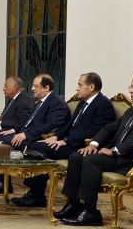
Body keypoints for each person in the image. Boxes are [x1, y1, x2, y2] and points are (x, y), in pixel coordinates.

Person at [57, 71, 133, 226]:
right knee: (77, 156)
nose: (131, 91)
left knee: (91, 160)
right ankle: (73, 204)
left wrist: (115, 150)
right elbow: (109, 128)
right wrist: (94, 144)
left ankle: (91, 212)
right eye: (131, 87)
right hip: (122, 156)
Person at [10, 72, 115, 207]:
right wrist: (56, 136)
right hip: (70, 142)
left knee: (39, 148)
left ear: (91, 87)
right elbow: (69, 125)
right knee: (36, 145)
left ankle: (37, 195)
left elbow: (94, 131)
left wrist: (65, 141)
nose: (77, 88)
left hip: (81, 146)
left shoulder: (103, 104)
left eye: (80, 85)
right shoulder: (83, 103)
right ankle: (34, 193)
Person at [0, 73, 70, 194]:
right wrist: (14, 131)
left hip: (37, 138)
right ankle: (1, 182)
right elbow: (28, 122)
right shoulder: (41, 101)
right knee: (0, 137)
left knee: (3, 142)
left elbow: (50, 126)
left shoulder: (57, 103)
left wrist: (26, 135)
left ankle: (8, 185)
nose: (32, 89)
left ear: (46, 88)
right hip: (28, 135)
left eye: (36, 86)